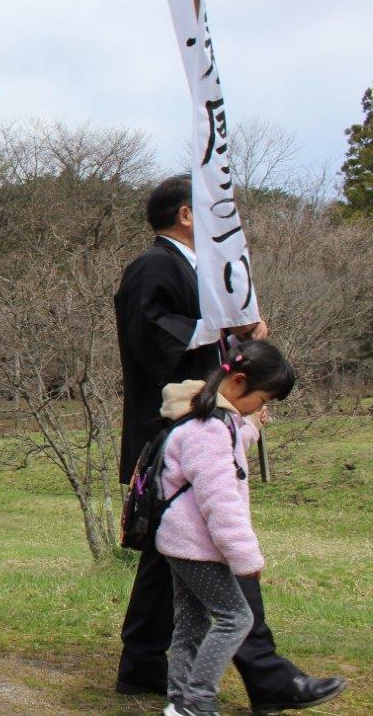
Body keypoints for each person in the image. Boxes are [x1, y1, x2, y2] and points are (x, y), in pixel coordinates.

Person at [114, 176, 345, 712]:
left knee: (169, 551)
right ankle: (267, 677)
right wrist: (221, 326)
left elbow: (203, 341)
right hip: (177, 436)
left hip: (192, 428)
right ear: (186, 215)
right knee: (217, 548)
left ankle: (144, 662)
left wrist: (238, 336)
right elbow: (155, 343)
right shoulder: (153, 266)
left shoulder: (196, 271)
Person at [155, 341, 302, 716]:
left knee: (190, 625)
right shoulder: (208, 429)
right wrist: (244, 555)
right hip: (196, 545)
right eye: (263, 398)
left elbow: (227, 455)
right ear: (238, 382)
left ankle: (179, 701)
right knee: (236, 619)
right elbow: (218, 500)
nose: (262, 407)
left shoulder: (208, 419)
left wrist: (249, 427)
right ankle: (197, 702)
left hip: (180, 542)